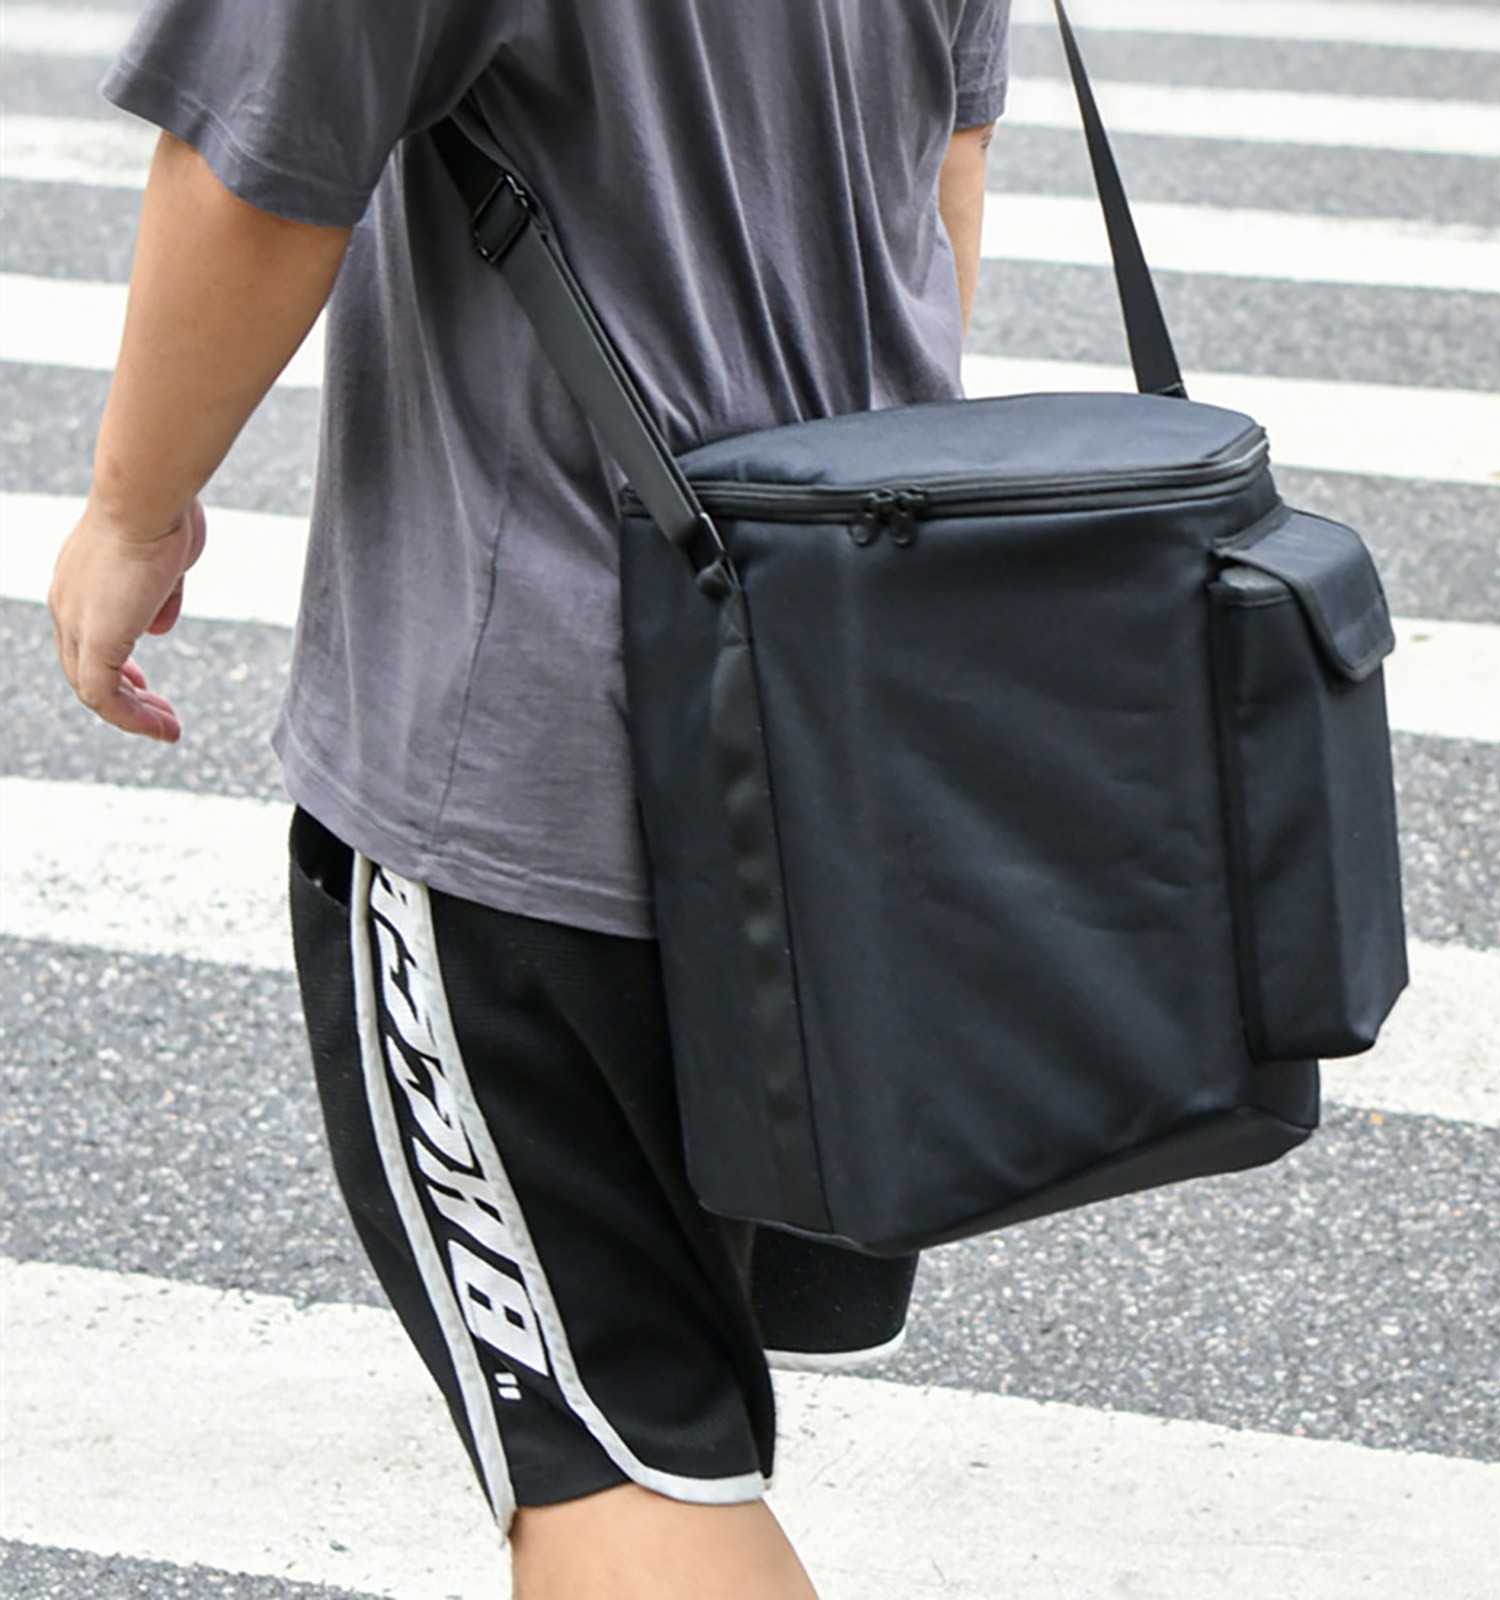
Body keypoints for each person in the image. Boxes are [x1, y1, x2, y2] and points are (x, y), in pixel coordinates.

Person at [48, 2, 1009, 1594]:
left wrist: (129, 511)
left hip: (545, 733)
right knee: (666, 1403)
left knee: (617, 1451)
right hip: (842, 709)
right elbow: (942, 174)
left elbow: (258, 170)